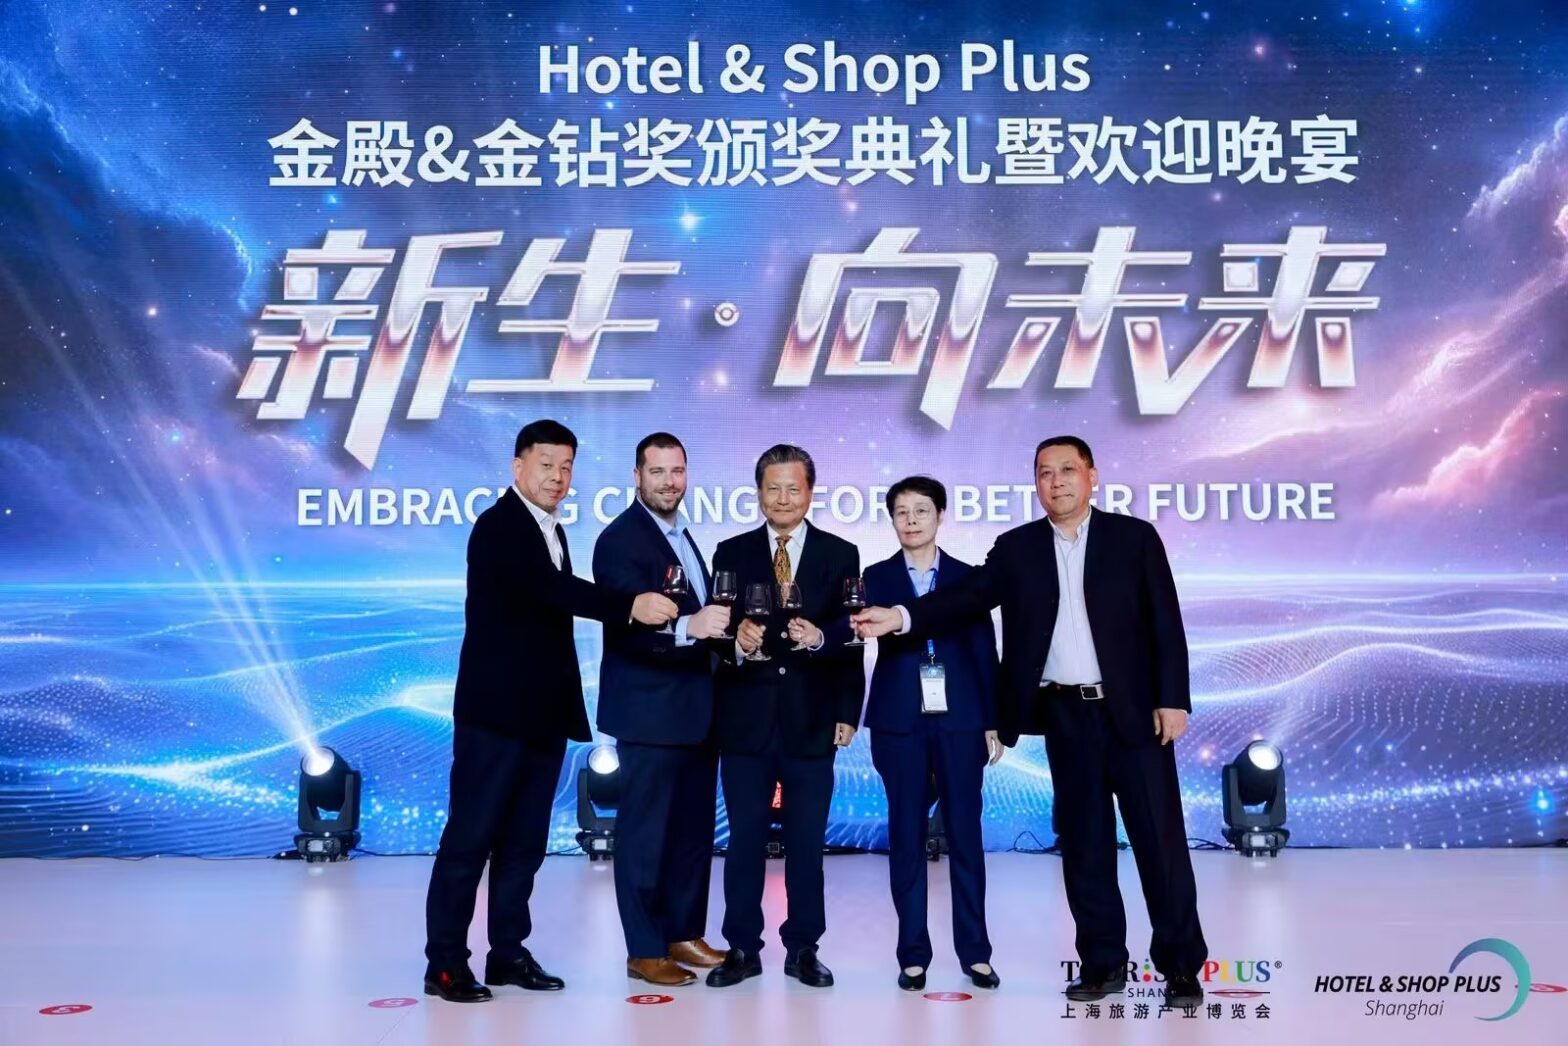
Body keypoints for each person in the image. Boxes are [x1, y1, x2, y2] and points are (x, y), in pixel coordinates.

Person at [854, 436, 1208, 1007]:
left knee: (1159, 845)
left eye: (1068, 470)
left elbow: (1165, 622)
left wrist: (1173, 699)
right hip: (1066, 715)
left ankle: (1181, 966)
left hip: (1135, 715)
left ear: (1092, 475)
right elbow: (967, 597)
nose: (1057, 481)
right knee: (1085, 848)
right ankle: (1102, 964)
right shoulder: (1017, 548)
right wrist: (902, 616)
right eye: (1045, 472)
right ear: (1036, 483)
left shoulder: (1134, 538)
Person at [423, 420, 678, 1003]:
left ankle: (508, 953)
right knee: (470, 839)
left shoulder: (552, 528)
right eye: (546, 465)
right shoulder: (499, 526)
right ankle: (445, 963)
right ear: (518, 467)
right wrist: (630, 606)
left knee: (525, 843)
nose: (558, 477)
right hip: (494, 716)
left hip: (541, 716)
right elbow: (552, 591)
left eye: (566, 467)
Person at [705, 444, 864, 989]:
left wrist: (847, 708)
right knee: (744, 842)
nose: (783, 498)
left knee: (806, 843)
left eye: (793, 488)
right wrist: (737, 644)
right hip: (745, 721)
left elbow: (852, 634)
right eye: (772, 488)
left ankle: (803, 948)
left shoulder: (840, 552)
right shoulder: (731, 551)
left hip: (812, 718)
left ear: (810, 492)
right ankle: (741, 948)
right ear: (758, 493)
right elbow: (714, 634)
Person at [592, 432, 730, 987]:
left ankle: (683, 933)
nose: (669, 482)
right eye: (658, 472)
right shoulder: (619, 540)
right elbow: (628, 629)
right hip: (649, 713)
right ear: (636, 476)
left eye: (677, 471)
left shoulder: (681, 536)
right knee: (646, 835)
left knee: (692, 833)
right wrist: (690, 625)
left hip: (696, 711)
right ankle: (645, 948)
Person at [863, 475, 1003, 993]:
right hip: (898, 720)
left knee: (965, 834)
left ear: (940, 516)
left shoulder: (969, 578)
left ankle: (976, 953)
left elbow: (984, 650)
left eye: (921, 510)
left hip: (961, 718)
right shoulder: (875, 577)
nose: (912, 520)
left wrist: (993, 719)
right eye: (901, 512)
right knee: (905, 835)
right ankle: (913, 955)